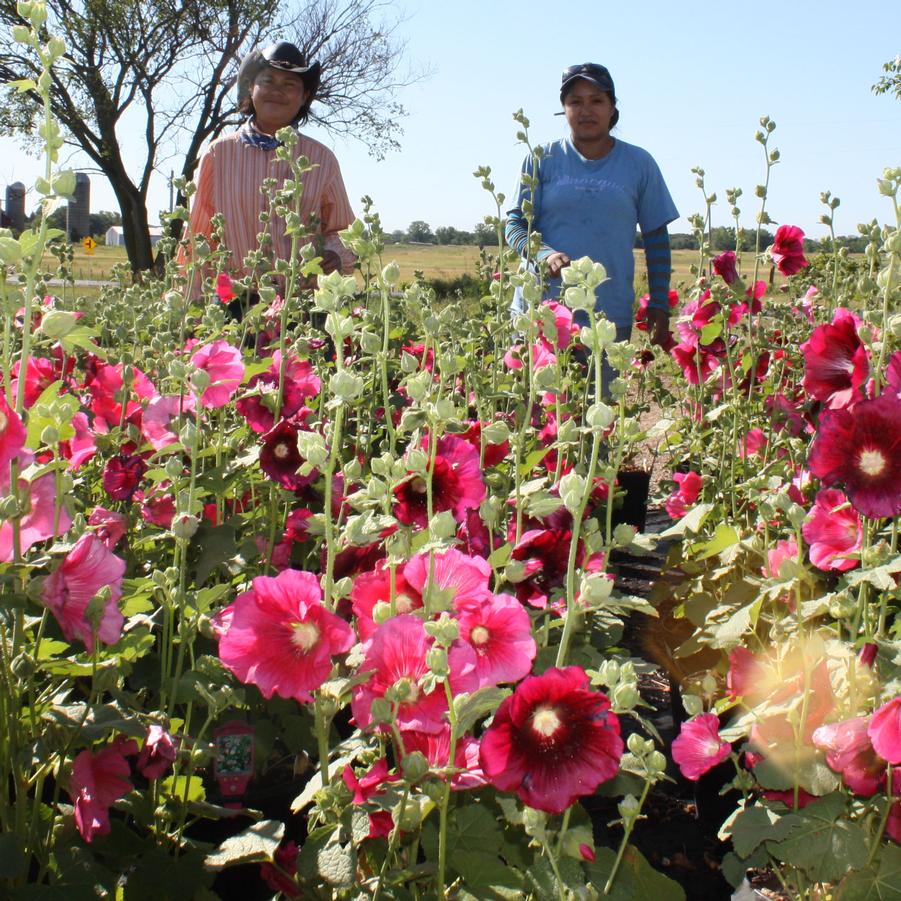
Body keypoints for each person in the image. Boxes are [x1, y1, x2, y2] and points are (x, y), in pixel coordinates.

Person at [506, 62, 678, 352]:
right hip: (541, 311)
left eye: (597, 100)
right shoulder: (541, 159)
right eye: (576, 102)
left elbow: (656, 239)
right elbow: (514, 226)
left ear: (612, 107)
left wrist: (659, 302)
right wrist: (544, 255)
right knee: (535, 397)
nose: (586, 110)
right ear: (564, 109)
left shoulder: (639, 164)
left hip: (607, 316)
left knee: (602, 397)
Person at [184, 41, 355, 309]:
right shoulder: (218, 154)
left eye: (289, 85)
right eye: (268, 81)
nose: (277, 91)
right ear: (251, 88)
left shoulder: (321, 159)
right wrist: (191, 309)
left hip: (303, 306)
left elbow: (339, 230)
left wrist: (334, 254)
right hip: (233, 301)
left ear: (303, 96)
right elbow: (197, 238)